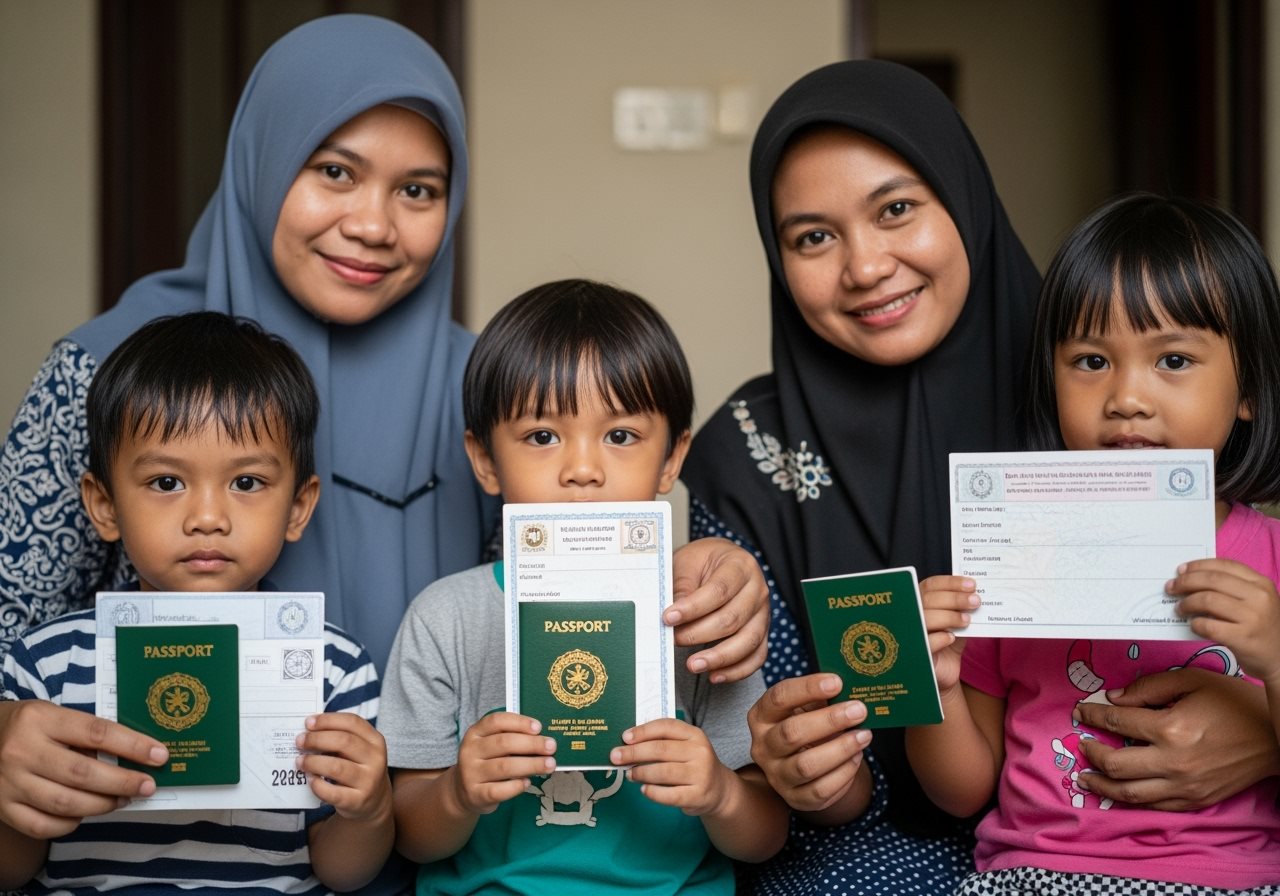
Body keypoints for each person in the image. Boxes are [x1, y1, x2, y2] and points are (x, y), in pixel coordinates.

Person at [0, 13, 768, 859]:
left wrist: (706, 568)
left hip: (425, 846)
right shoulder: (106, 373)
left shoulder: (491, 395)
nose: (373, 224)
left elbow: (569, 574)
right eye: (335, 172)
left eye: (418, 190)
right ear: (262, 161)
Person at [681, 60, 1280, 895]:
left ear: (962, 198)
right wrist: (797, 770)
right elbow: (761, 766)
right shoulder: (749, 450)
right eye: (813, 236)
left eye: (896, 209)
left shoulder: (1091, 391)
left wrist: (1266, 735)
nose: (864, 267)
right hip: (931, 851)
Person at [910, 193, 1280, 894]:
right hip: (1036, 876)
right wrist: (936, 687)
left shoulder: (1274, 559)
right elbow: (961, 791)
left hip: (1238, 880)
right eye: (1089, 361)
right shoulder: (1010, 557)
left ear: (1249, 390)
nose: (1127, 397)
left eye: (1172, 359)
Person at [380, 279, 789, 895]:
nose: (582, 470)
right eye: (542, 437)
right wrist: (458, 792)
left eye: (620, 436)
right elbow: (409, 834)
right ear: (485, 458)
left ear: (672, 459)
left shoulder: (699, 619)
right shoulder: (446, 618)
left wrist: (721, 793)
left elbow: (765, 835)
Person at [0, 312, 393, 894]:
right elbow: (11, 870)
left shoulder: (333, 667)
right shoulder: (45, 668)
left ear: (298, 507)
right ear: (104, 505)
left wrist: (372, 809)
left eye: (246, 483)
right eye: (166, 483)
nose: (207, 518)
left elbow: (342, 874)